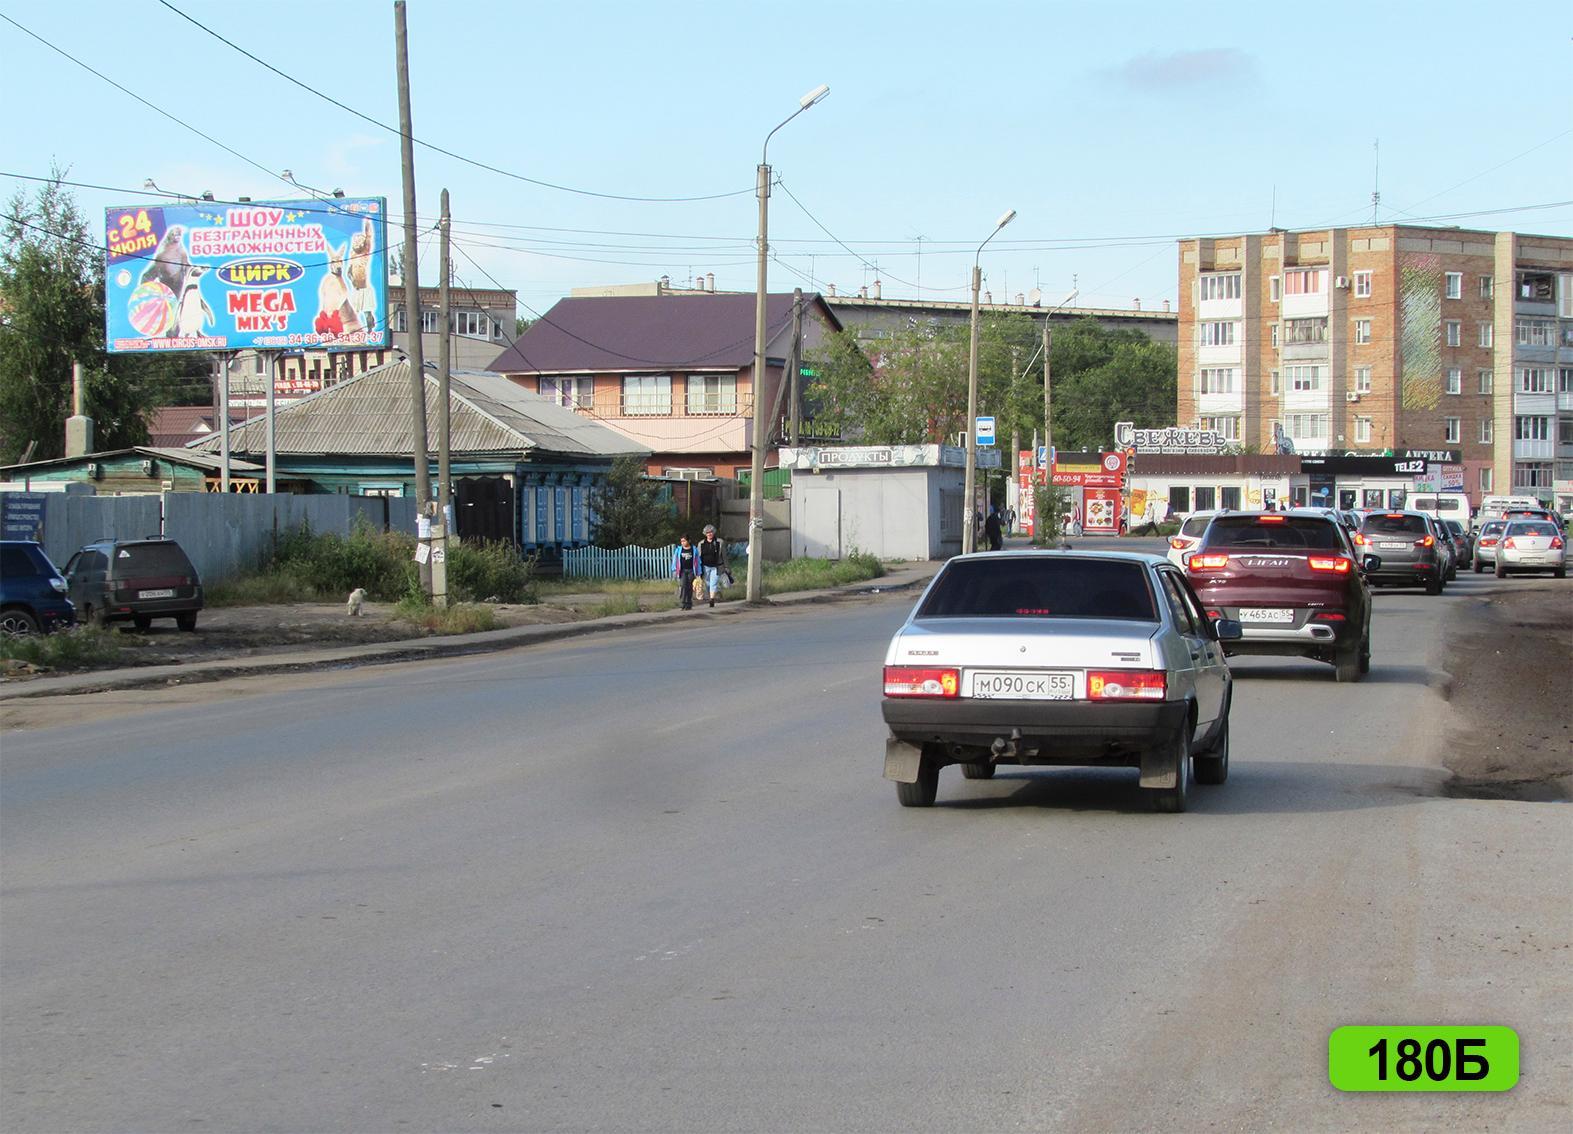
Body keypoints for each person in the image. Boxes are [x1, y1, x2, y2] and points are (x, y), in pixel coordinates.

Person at [697, 523, 729, 608]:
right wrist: (697, 568)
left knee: (713, 583)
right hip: (705, 567)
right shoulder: (701, 544)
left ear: (713, 532)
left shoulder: (720, 542)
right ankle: (710, 596)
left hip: (716, 567)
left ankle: (711, 599)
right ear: (705, 534)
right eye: (707, 533)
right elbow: (698, 557)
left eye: (711, 532)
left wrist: (726, 567)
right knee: (707, 583)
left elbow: (724, 556)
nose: (709, 534)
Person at [671, 534, 699, 610]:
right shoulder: (679, 549)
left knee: (690, 587)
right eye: (681, 541)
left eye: (684, 541)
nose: (682, 543)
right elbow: (675, 560)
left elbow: (697, 561)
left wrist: (698, 572)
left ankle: (689, 603)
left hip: (691, 571)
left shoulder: (694, 549)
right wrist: (674, 569)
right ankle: (683, 603)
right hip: (682, 571)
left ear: (689, 541)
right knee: (683, 585)